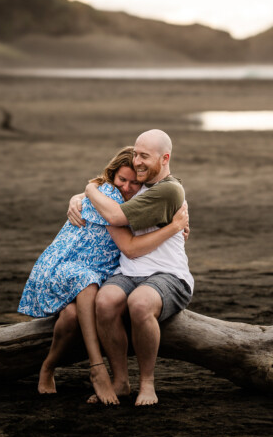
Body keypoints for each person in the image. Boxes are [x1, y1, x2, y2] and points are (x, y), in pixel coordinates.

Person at [18, 146, 188, 403]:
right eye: (122, 180)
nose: (128, 187)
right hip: (71, 265)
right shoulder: (107, 195)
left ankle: (49, 366)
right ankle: (99, 370)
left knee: (72, 316)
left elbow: (153, 203)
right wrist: (86, 191)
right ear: (112, 177)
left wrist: (178, 226)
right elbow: (126, 241)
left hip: (105, 270)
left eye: (133, 181)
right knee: (92, 290)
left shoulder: (150, 191)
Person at [67, 128, 192, 407]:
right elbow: (115, 189)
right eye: (135, 154)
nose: (137, 161)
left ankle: (147, 382)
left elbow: (114, 214)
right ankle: (121, 381)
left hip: (168, 275)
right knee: (106, 301)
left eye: (144, 156)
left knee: (139, 303)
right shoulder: (139, 186)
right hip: (128, 271)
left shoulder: (169, 189)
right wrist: (78, 197)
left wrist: (88, 188)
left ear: (165, 158)